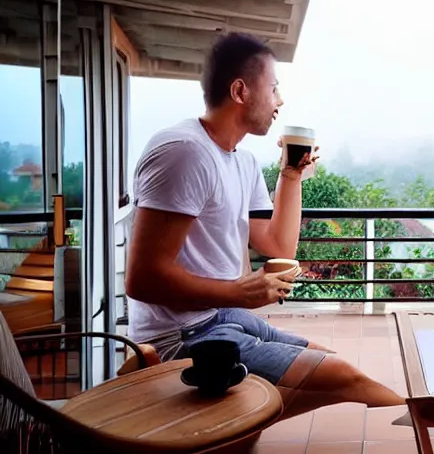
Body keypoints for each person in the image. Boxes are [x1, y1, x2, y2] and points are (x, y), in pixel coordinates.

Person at [125, 32, 405, 419]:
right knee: (346, 377)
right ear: (240, 91)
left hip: (219, 316)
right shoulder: (184, 152)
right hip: (181, 336)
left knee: (326, 360)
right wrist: (238, 292)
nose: (280, 100)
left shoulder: (242, 162)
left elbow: (278, 246)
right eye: (273, 88)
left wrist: (291, 178)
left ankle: (240, 423)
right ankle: (427, 418)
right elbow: (142, 280)